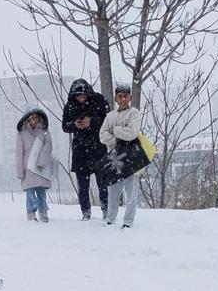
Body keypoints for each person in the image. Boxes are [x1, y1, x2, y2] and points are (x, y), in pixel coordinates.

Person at [61, 79, 110, 220]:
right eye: (78, 95)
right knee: (83, 186)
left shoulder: (99, 100)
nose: (81, 98)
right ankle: (85, 213)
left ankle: (106, 211)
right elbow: (64, 126)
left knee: (103, 184)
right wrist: (75, 125)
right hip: (80, 151)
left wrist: (91, 122)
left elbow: (109, 121)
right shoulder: (70, 106)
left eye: (83, 94)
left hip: (99, 148)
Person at [100, 83, 143, 229]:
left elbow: (132, 133)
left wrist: (116, 131)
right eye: (120, 96)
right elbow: (102, 135)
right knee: (113, 190)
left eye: (126, 96)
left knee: (131, 192)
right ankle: (111, 220)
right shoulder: (110, 116)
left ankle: (128, 222)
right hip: (114, 157)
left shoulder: (134, 113)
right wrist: (117, 140)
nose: (123, 99)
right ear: (115, 98)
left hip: (131, 156)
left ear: (130, 97)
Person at [15, 108, 53, 222]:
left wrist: (41, 162)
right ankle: (31, 213)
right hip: (28, 168)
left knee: (41, 192)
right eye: (31, 118)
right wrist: (20, 172)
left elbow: (48, 148)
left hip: (41, 167)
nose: (33, 120)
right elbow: (19, 154)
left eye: (36, 117)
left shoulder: (44, 131)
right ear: (27, 119)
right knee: (30, 192)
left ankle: (43, 212)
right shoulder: (21, 134)